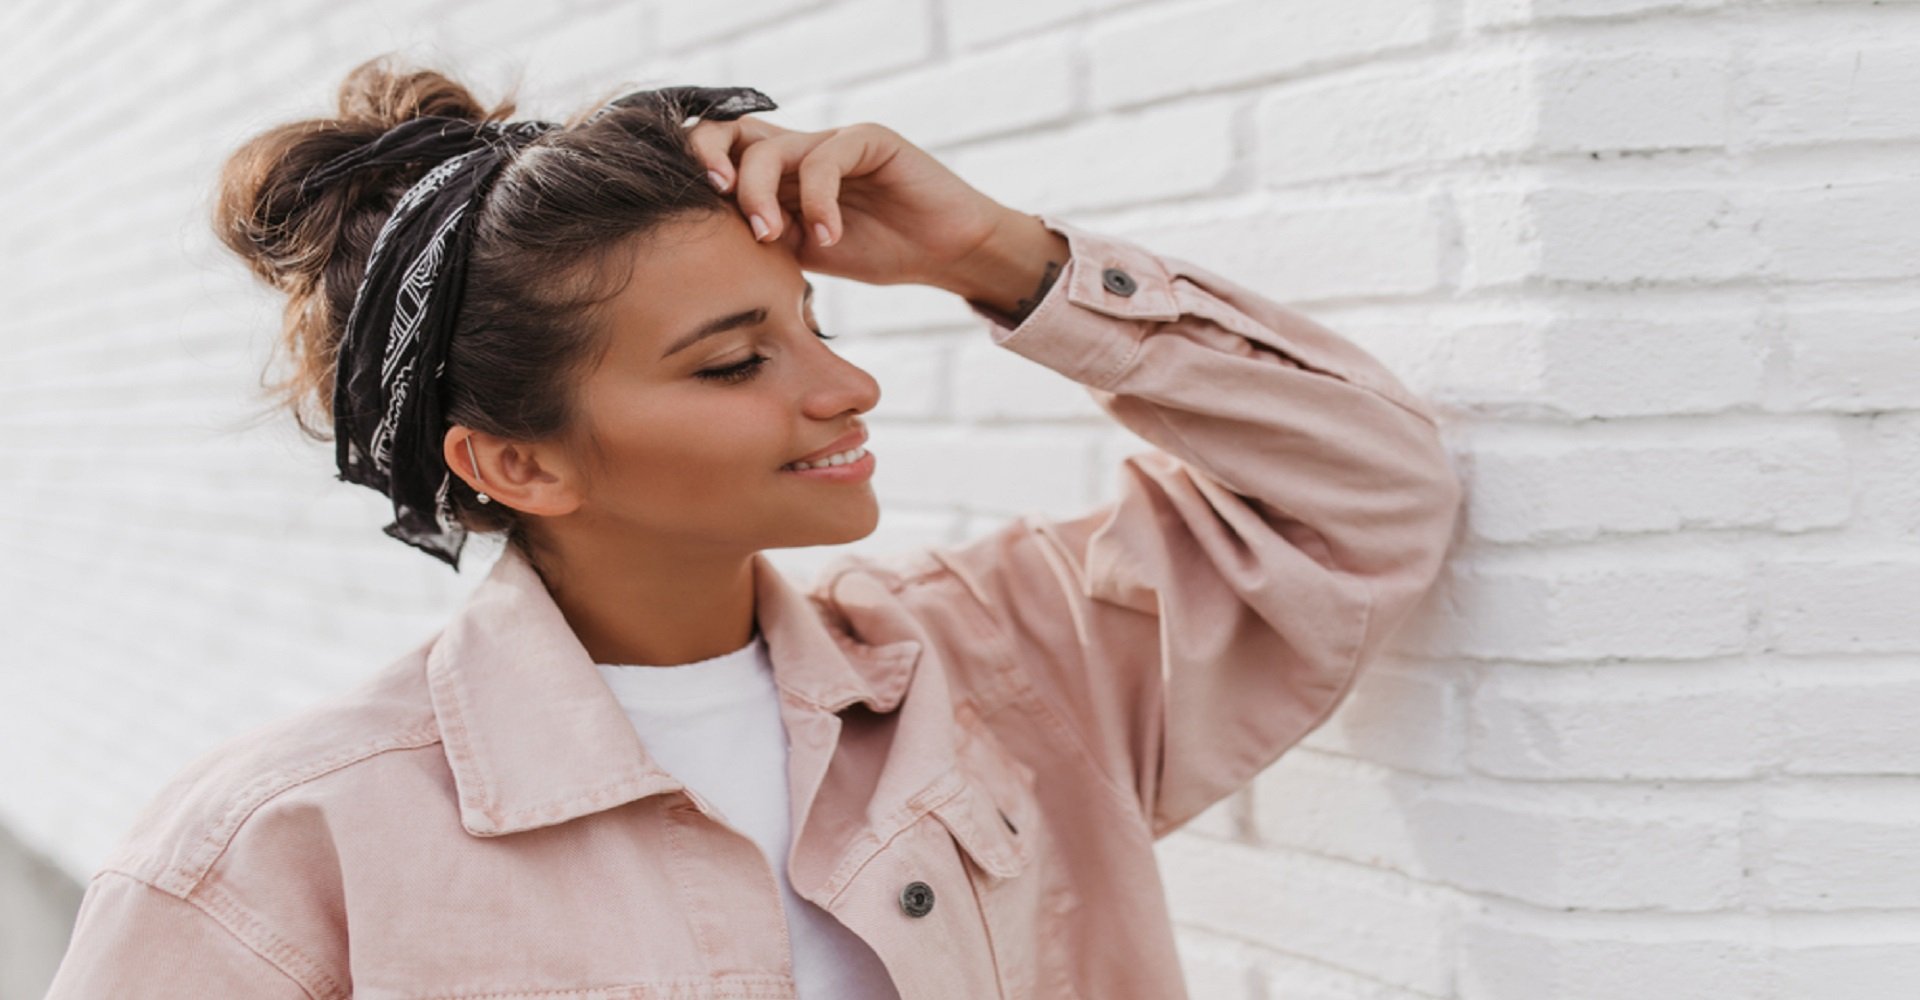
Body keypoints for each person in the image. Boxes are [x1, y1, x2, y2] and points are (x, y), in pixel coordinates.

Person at [41, 52, 1464, 1000]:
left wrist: (997, 255)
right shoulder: (276, 854)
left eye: (813, 323)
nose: (848, 384)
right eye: (734, 363)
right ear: (519, 466)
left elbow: (1371, 493)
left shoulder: (1007, 667)